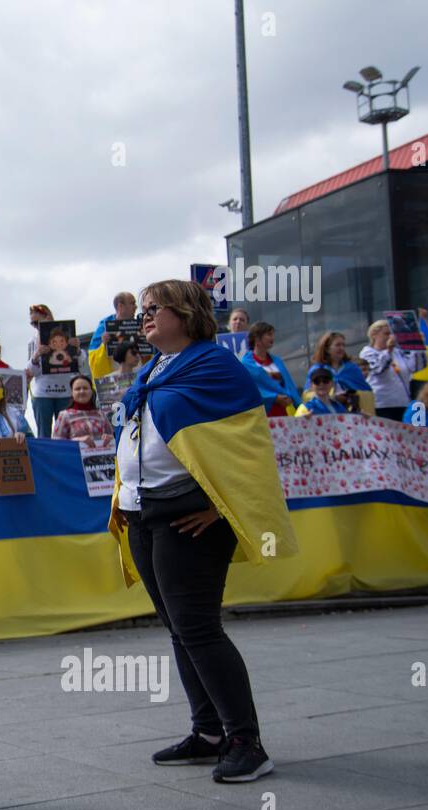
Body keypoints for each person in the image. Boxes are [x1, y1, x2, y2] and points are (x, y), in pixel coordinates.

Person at [109, 280, 296, 784]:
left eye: (155, 308)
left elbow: (245, 449)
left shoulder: (214, 366)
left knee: (198, 628)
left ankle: (246, 743)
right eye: (143, 308)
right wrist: (125, 500)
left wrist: (220, 507)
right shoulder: (153, 370)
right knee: (179, 630)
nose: (144, 316)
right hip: (147, 515)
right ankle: (209, 732)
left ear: (187, 313)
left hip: (188, 517)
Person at [27, 315, 88, 438]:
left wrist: (77, 349)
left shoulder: (72, 346)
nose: (37, 325)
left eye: (39, 321)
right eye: (34, 323)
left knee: (68, 433)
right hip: (43, 395)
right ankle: (45, 457)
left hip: (66, 393)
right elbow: (30, 372)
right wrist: (37, 355)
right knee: (44, 434)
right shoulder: (33, 342)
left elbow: (82, 365)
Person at [360, 319, 417, 421]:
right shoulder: (367, 352)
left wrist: (416, 346)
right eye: (386, 334)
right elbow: (378, 369)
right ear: (374, 335)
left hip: (403, 402)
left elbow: (415, 367)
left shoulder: (398, 352)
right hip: (382, 404)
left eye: (392, 334)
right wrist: (388, 351)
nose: (390, 337)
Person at [240, 322, 298, 417]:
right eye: (269, 334)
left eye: (273, 334)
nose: (272, 338)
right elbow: (249, 390)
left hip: (285, 411)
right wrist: (274, 398)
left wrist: (293, 398)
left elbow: (289, 384)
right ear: (257, 338)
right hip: (263, 414)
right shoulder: (246, 364)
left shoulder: (277, 361)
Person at [306, 331, 371, 414]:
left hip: (351, 414)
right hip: (325, 413)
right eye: (337, 345)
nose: (341, 348)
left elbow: (367, 392)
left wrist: (351, 396)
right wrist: (333, 398)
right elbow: (307, 395)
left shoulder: (352, 368)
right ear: (327, 348)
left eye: (343, 345)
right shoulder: (317, 370)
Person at [51, 374, 114, 448]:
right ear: (72, 393)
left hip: (104, 458)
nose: (82, 391)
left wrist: (111, 438)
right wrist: (77, 441)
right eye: (77, 389)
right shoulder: (64, 415)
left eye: (85, 388)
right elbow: (57, 444)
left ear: (91, 391)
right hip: (75, 458)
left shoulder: (101, 415)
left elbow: (114, 438)